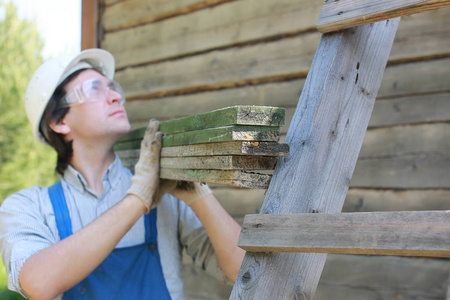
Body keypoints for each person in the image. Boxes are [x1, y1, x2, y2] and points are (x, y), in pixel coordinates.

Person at [0, 48, 245, 300]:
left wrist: (198, 193)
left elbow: (243, 271)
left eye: (113, 87)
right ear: (59, 122)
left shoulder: (167, 193)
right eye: (95, 88)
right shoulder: (29, 207)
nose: (116, 97)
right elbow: (38, 282)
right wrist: (139, 198)